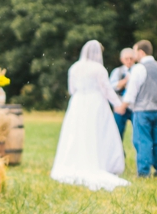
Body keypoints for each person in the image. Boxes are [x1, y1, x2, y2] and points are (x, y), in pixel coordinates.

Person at [51, 41, 129, 192]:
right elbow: (106, 89)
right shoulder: (98, 69)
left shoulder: (74, 67)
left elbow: (72, 89)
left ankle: (74, 162)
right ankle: (102, 163)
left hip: (78, 103)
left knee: (76, 133)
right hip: (95, 103)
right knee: (98, 133)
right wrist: (117, 104)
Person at [115, 40, 157, 178]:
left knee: (142, 140)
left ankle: (144, 172)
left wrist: (123, 106)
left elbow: (131, 92)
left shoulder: (139, 68)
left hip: (142, 110)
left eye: (135, 52)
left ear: (141, 52)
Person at [109, 48, 136, 141]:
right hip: (120, 105)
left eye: (131, 58)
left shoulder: (138, 70)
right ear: (122, 59)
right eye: (126, 58)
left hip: (135, 106)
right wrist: (125, 81)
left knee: (138, 132)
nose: (129, 61)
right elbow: (111, 87)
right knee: (117, 133)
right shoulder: (117, 71)